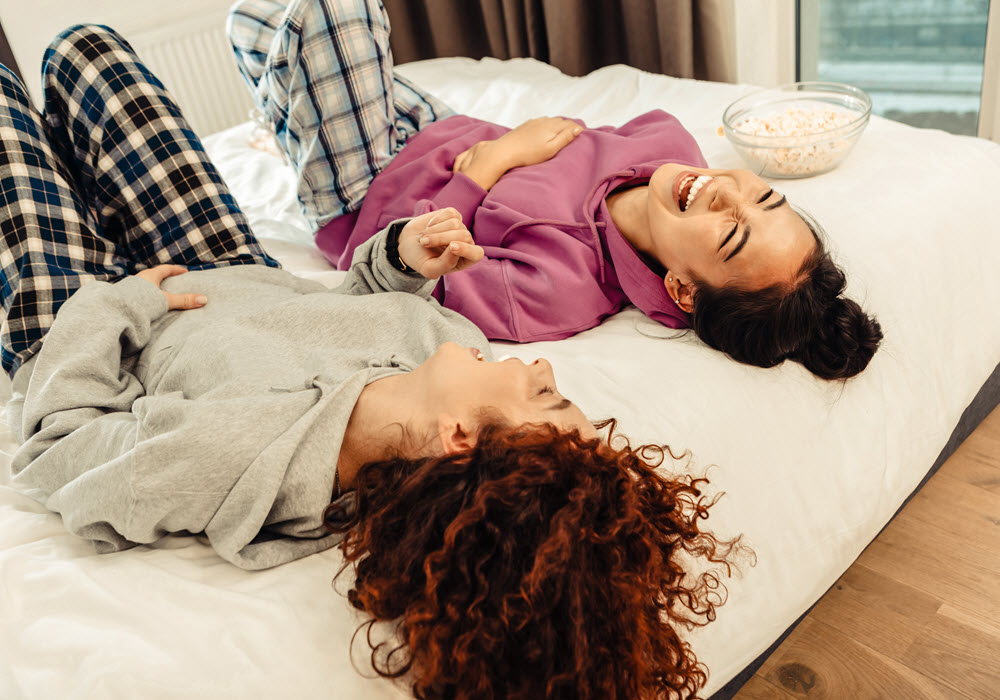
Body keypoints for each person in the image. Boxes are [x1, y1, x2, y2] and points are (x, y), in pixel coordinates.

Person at [2, 25, 739, 699]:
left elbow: (54, 445)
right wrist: (399, 259)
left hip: (80, 315)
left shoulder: (235, 456)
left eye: (547, 400)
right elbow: (348, 303)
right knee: (85, 50)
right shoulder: (446, 352)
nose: (545, 372)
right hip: (228, 264)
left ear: (457, 439)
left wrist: (115, 307)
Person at [227, 0, 883, 380]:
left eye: (733, 231)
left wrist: (491, 165)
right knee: (259, 21)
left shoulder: (557, 289)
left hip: (369, 195)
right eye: (764, 197)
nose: (729, 194)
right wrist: (487, 150)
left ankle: (303, 144)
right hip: (437, 129)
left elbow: (394, 275)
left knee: (332, 9)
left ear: (682, 289)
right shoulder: (667, 146)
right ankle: (293, 129)